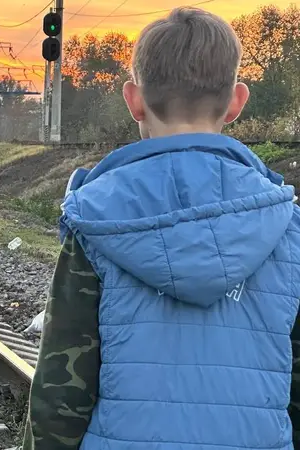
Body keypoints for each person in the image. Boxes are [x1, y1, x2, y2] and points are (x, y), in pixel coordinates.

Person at [23, 6, 300, 450]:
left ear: (133, 99)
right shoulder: (287, 224)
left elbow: (63, 385)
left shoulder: (97, 218)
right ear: (236, 102)